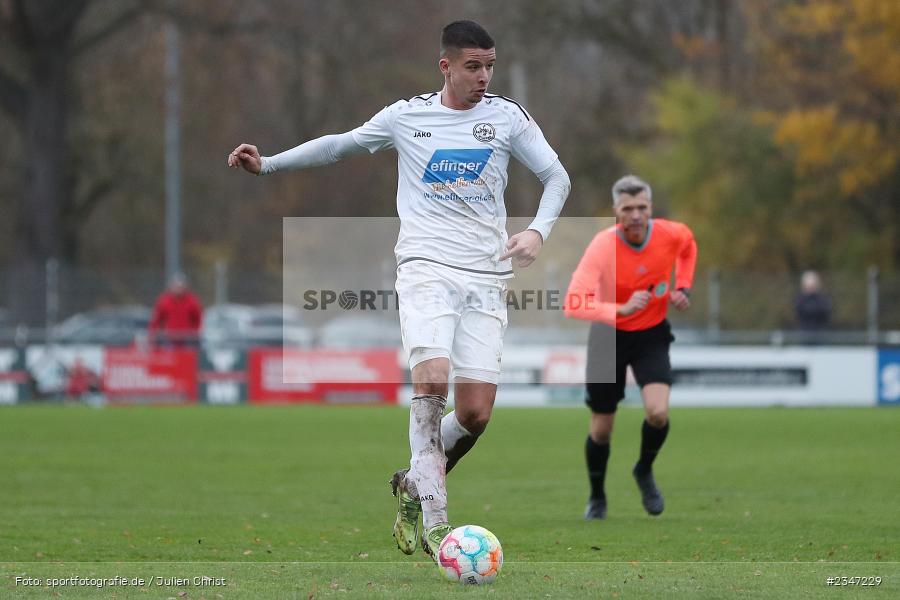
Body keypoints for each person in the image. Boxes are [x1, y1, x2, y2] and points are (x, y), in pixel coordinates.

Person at [227, 21, 570, 560]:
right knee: (431, 379)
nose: (484, 77)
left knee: (476, 414)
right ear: (446, 66)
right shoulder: (407, 117)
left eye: (490, 66)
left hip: (486, 274)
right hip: (425, 266)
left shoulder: (507, 118)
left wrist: (536, 231)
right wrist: (268, 164)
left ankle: (414, 483)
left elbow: (557, 177)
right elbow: (340, 146)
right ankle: (436, 523)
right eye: (473, 66)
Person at [564, 175, 696, 520]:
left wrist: (683, 286)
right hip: (608, 336)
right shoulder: (602, 245)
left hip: (651, 333)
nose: (636, 215)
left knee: (658, 413)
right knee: (602, 428)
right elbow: (573, 302)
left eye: (642, 207)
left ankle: (644, 469)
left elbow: (689, 246)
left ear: (650, 208)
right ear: (616, 212)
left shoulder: (671, 233)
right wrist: (617, 309)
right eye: (628, 209)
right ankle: (597, 496)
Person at [149, 273, 203, 348]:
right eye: (176, 286)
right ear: (171, 286)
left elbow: (198, 319)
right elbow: (155, 320)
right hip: (169, 339)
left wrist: (194, 333)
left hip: (187, 339)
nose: (179, 288)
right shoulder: (164, 300)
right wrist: (153, 336)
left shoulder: (192, 300)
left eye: (181, 286)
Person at [795, 270, 831, 342]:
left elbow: (825, 313)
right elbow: (800, 312)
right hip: (804, 335)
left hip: (820, 335)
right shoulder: (800, 300)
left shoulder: (822, 299)